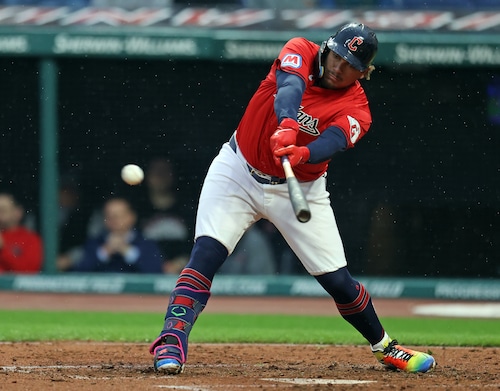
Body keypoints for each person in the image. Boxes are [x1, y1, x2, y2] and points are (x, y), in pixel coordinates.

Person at [149, 23, 436, 374]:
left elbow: (334, 140)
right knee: (207, 253)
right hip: (238, 170)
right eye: (336, 56)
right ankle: (172, 339)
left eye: (350, 66)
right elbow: (289, 85)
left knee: (338, 282)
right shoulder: (301, 48)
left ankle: (385, 347)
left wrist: (304, 153)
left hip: (300, 188)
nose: (338, 67)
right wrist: (286, 123)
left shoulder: (358, 108)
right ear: (327, 48)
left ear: (363, 73)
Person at [73, 197, 163, 273]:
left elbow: (156, 271)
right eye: (108, 216)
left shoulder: (146, 242)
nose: (113, 220)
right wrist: (104, 252)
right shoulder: (95, 242)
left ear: (132, 217)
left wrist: (128, 251)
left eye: (118, 216)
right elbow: (79, 271)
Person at [134, 157, 192, 275]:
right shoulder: (138, 208)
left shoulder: (187, 208)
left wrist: (181, 262)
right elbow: (133, 243)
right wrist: (154, 263)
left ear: (173, 175)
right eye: (156, 172)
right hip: (145, 272)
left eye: (164, 171)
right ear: (148, 176)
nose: (160, 176)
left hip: (184, 271)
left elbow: (197, 242)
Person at [0, 192, 43, 274]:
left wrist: (3, 249)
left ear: (18, 212)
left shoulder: (30, 239)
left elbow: (29, 271)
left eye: (2, 210)